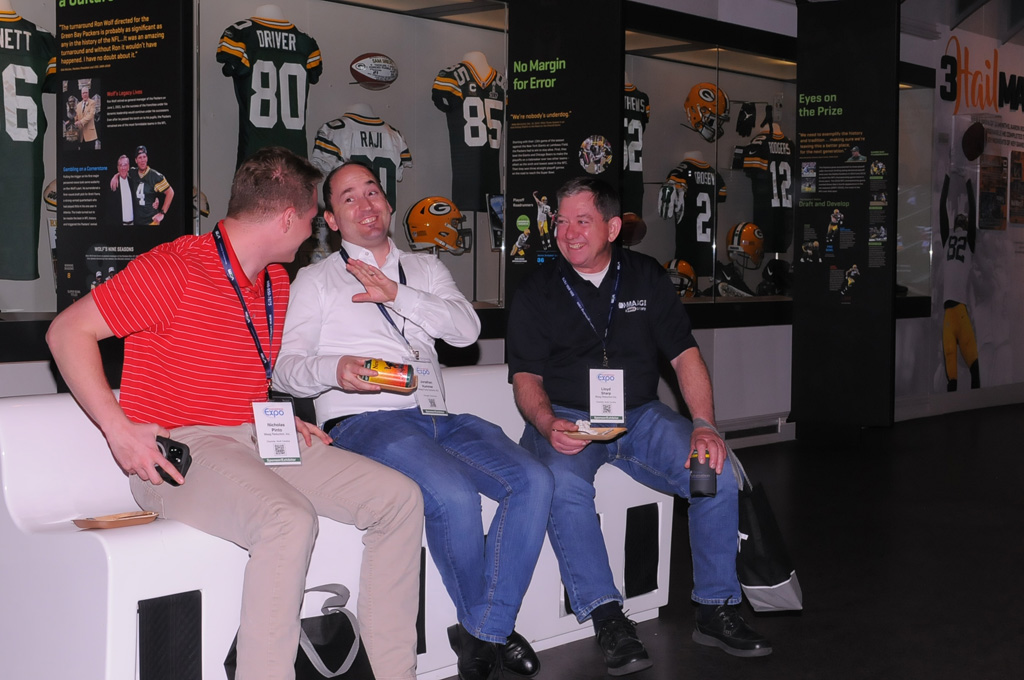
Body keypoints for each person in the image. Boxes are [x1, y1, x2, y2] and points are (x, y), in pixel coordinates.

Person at [46, 147, 424, 680]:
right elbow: (66, 332)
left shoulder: (275, 282)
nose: (315, 230)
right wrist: (120, 431)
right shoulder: (173, 268)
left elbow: (229, 364)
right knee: (287, 520)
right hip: (181, 452)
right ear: (288, 217)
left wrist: (273, 416)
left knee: (399, 500)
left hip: (255, 440)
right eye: (314, 216)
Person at [273, 161, 554, 680]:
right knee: (451, 493)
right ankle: (492, 629)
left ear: (389, 202)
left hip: (434, 414)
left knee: (535, 479)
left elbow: (466, 331)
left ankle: (482, 628)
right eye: (349, 198)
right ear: (331, 219)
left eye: (373, 192)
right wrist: (336, 369)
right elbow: (285, 369)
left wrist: (396, 293)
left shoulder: (425, 269)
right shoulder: (314, 280)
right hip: (364, 421)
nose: (366, 205)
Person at [507, 176, 772, 676]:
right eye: (560, 222)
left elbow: (684, 355)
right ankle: (608, 617)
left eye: (581, 221)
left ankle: (715, 607)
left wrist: (705, 425)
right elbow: (525, 377)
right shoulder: (538, 288)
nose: (567, 233)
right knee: (561, 484)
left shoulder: (646, 276)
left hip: (641, 414)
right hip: (568, 417)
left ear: (611, 227)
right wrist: (547, 424)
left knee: (710, 469)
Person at [109, 145, 174, 225]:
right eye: (140, 157)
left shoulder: (155, 176)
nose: (142, 160)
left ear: (147, 158)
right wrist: (116, 176)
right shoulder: (133, 173)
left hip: (151, 221)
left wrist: (162, 213)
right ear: (136, 160)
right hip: (137, 222)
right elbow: (124, 170)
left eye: (144, 157)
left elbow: (170, 192)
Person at [103, 154, 135, 225]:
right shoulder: (113, 184)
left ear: (128, 167)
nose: (123, 168)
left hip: (133, 223)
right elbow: (109, 210)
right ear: (118, 168)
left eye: (125, 165)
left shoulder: (133, 182)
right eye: (120, 165)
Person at [74, 85, 99, 150]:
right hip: (81, 136)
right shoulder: (78, 105)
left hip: (90, 136)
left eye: (86, 93)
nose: (85, 94)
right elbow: (76, 117)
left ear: (88, 93)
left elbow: (90, 115)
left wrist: (80, 122)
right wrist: (73, 121)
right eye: (83, 93)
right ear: (81, 95)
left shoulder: (92, 103)